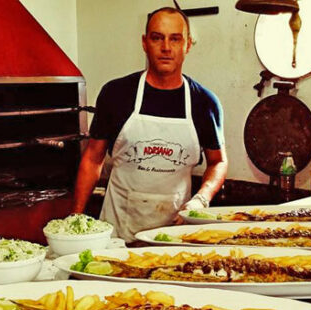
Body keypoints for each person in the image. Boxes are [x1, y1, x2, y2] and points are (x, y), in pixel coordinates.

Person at [72, 6, 228, 242]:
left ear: (187, 45)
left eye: (175, 39)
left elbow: (218, 162)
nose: (166, 47)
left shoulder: (204, 102)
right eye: (157, 38)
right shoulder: (116, 94)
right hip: (117, 233)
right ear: (145, 43)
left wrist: (201, 199)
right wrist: (75, 218)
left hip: (175, 235)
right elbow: (93, 158)